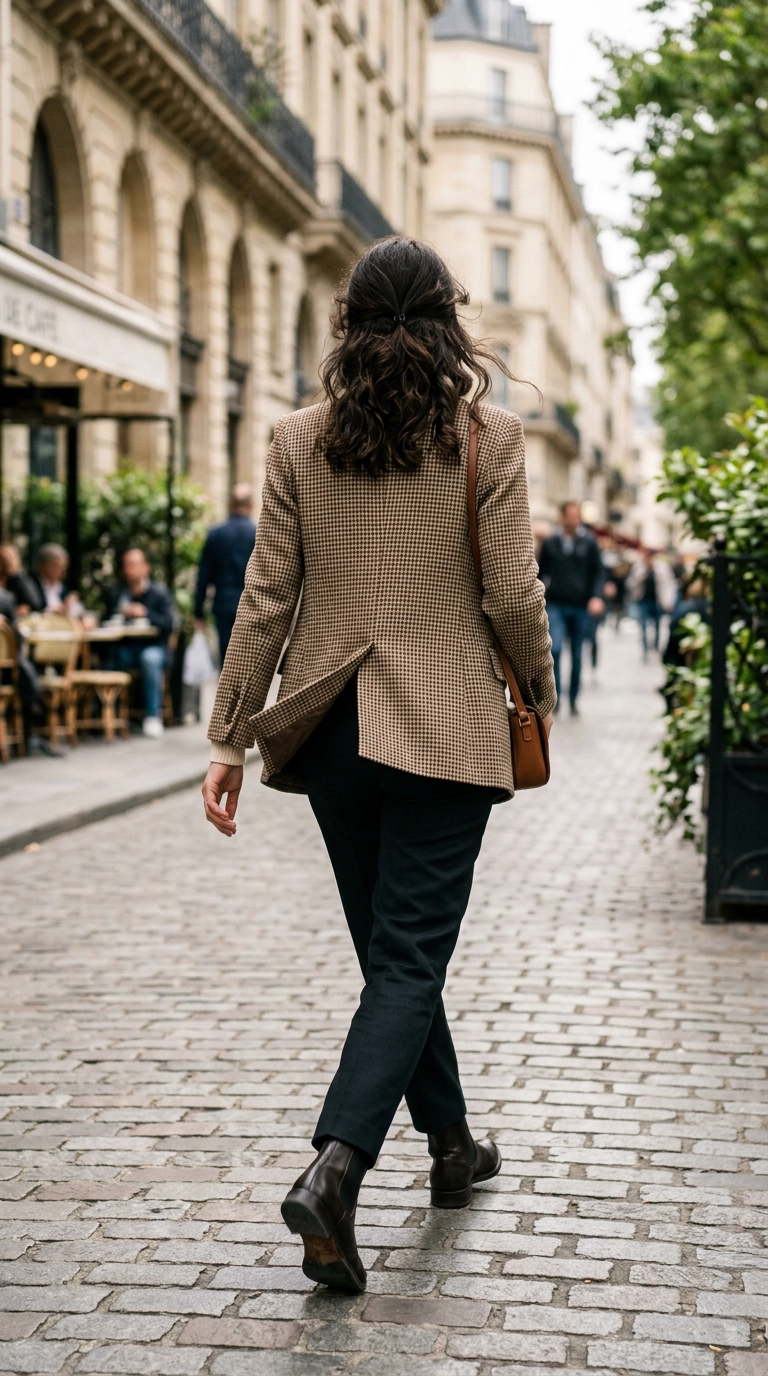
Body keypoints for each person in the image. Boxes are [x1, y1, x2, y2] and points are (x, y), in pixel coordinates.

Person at [201, 237, 555, 1295]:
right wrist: (537, 690)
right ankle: (336, 1166)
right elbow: (510, 594)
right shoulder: (487, 436)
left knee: (394, 958)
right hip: (444, 725)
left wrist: (228, 733)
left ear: (347, 319)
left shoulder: (300, 436)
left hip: (334, 729)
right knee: (408, 958)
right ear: (448, 319)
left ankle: (452, 1148)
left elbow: (267, 594)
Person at [537, 501, 605, 715]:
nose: (574, 520)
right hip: (556, 604)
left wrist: (596, 596)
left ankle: (573, 699)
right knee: (554, 649)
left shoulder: (589, 542)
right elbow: (540, 573)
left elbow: (598, 573)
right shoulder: (551, 542)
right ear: (563, 518)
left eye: (577, 516)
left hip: (580, 606)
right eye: (571, 515)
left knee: (576, 654)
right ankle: (555, 697)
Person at [107, 548, 175, 738]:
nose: (130, 569)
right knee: (113, 657)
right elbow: (108, 620)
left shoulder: (159, 593)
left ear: (146, 567)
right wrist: (122, 613)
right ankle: (110, 715)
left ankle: (152, 716)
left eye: (134, 564)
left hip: (154, 646)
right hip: (127, 646)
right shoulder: (120, 593)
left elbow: (168, 624)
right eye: (127, 565)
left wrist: (145, 613)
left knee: (150, 659)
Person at [194, 484, 257, 663]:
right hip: (250, 604)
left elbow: (203, 575)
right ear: (251, 506)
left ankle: (227, 691)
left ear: (230, 505)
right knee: (248, 657)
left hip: (222, 603)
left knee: (226, 657)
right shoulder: (257, 534)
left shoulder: (216, 534)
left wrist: (199, 612)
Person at [0, 544, 40, 615]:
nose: (6, 563)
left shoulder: (19, 580)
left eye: (10, 559)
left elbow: (33, 603)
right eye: (2, 559)